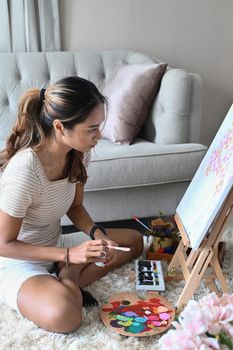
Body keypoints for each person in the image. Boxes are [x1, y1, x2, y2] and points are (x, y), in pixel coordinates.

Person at [0, 76, 143, 333]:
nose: (98, 136)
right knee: (66, 316)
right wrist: (68, 256)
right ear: (60, 127)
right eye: (91, 129)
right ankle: (69, 275)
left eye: (99, 126)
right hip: (17, 259)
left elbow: (75, 207)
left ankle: (68, 275)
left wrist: (97, 234)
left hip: (55, 245)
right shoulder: (25, 170)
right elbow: (4, 245)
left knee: (133, 241)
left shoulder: (78, 153)